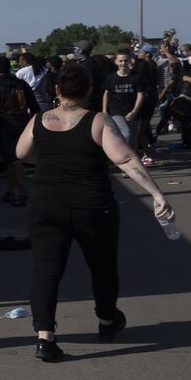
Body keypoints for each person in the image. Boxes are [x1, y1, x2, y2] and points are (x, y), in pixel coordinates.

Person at [14, 62, 174, 361]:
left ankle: (45, 337)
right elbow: (124, 158)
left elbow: (22, 153)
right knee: (102, 266)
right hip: (93, 206)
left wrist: (49, 157)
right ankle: (106, 319)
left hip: (46, 205)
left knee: (46, 271)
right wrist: (156, 194)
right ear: (88, 91)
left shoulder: (39, 120)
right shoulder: (98, 121)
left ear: (57, 90)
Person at [0, 55, 33, 206]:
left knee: (15, 161)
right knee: (11, 161)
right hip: (23, 124)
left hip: (6, 126)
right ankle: (10, 191)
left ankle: (25, 195)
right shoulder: (21, 84)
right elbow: (34, 105)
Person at [101, 50, 145, 163]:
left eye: (125, 61)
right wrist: (104, 110)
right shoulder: (111, 78)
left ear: (129, 61)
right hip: (116, 110)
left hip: (133, 111)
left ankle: (132, 163)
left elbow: (140, 95)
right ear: (116, 62)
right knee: (126, 134)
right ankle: (122, 160)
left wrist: (135, 111)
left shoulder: (137, 77)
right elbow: (106, 93)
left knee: (133, 139)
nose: (123, 63)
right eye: (120, 61)